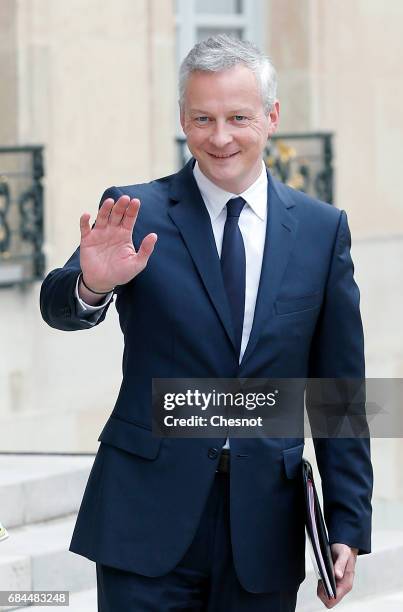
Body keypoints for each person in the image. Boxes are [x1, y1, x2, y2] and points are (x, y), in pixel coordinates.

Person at [40, 35, 373, 611]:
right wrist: (93, 284)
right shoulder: (134, 212)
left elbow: (338, 391)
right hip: (143, 517)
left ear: (271, 117)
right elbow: (58, 307)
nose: (220, 137)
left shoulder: (322, 232)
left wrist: (346, 524)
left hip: (263, 525)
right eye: (203, 118)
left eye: (238, 117)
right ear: (182, 120)